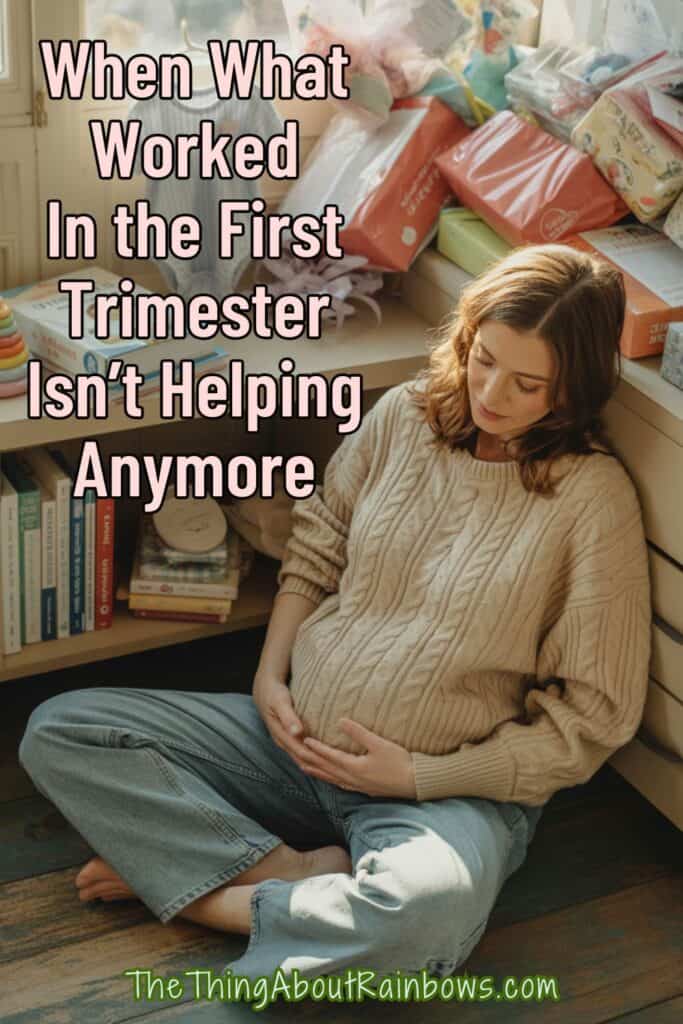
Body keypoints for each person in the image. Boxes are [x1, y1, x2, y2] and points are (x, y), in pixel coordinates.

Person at [19, 244, 652, 983]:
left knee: (425, 915)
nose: (491, 393)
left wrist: (415, 777)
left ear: (571, 390)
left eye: (527, 383)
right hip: (288, 741)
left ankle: (212, 894)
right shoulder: (405, 416)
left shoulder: (590, 499)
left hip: (444, 791)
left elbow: (592, 718)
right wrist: (269, 678)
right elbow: (317, 542)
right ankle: (292, 867)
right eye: (483, 359)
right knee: (60, 728)